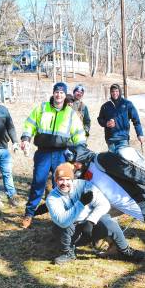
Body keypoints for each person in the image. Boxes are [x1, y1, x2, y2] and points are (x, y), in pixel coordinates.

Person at [68, 145, 145, 261]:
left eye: (74, 163)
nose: (74, 167)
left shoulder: (102, 159)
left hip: (135, 198)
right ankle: (114, 246)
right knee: (98, 217)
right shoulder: (84, 174)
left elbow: (130, 171)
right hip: (114, 204)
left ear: (81, 157)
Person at [46, 163, 145, 264]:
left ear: (72, 179)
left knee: (108, 221)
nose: (64, 183)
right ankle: (67, 253)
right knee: (61, 226)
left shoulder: (83, 185)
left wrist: (91, 221)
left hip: (89, 226)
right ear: (56, 181)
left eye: (67, 179)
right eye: (61, 179)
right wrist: (80, 204)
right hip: (71, 232)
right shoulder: (52, 198)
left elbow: (104, 204)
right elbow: (62, 221)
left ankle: (124, 251)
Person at [20, 82, 86, 229]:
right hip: (43, 152)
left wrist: (81, 153)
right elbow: (30, 124)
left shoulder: (70, 113)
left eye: (62, 93)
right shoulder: (42, 108)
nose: (59, 95)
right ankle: (29, 214)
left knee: (61, 185)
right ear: (53, 93)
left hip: (61, 153)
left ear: (65, 95)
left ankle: (62, 216)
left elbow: (79, 134)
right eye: (57, 92)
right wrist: (26, 138)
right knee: (38, 183)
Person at [97, 83, 144, 153]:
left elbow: (136, 120)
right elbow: (100, 119)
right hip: (110, 139)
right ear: (110, 93)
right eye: (112, 91)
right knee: (113, 161)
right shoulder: (105, 106)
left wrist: (140, 134)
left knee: (123, 160)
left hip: (123, 138)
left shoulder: (127, 104)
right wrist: (106, 123)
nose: (114, 93)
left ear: (120, 92)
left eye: (116, 91)